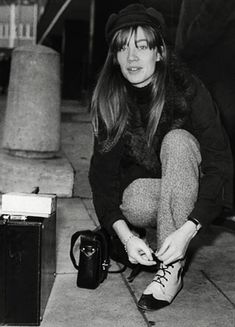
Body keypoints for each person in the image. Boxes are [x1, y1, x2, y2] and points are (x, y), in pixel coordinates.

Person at [88, 3, 233, 311]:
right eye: (123, 49)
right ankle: (163, 239)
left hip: (199, 189)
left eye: (142, 46)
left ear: (160, 52)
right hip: (155, 194)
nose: (132, 58)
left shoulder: (187, 89)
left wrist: (187, 230)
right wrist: (126, 238)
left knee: (177, 140)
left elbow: (221, 165)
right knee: (134, 199)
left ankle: (172, 268)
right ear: (114, 58)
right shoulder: (111, 99)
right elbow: (101, 180)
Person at [175, 0, 235, 209]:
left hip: (215, 62)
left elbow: (217, 10)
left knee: (221, 129)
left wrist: (186, 45)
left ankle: (223, 202)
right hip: (208, 61)